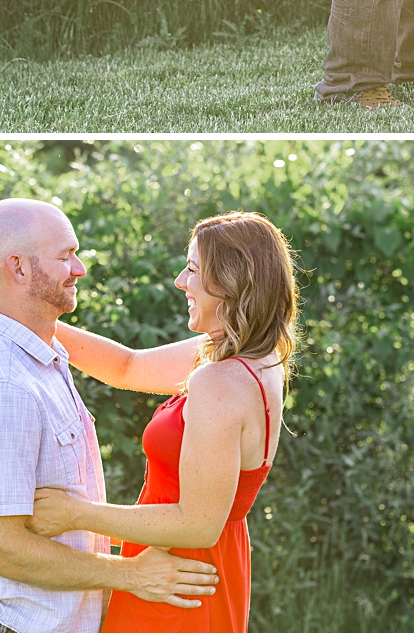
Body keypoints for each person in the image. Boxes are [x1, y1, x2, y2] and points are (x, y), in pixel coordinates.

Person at [0, 199, 219, 634]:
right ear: (20, 269)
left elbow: (130, 366)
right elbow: (0, 550)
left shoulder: (45, 358)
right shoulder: (5, 388)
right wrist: (130, 575)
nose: (80, 268)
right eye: (65, 256)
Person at [23, 211, 297, 634]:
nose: (179, 281)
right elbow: (128, 367)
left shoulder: (220, 381)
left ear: (228, 282)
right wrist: (30, 326)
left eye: (192, 269)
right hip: (185, 567)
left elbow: (197, 525)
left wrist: (75, 514)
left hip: (177, 581)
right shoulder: (249, 356)